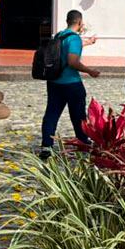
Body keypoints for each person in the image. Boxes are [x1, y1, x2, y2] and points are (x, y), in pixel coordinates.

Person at [40, 10, 100, 158]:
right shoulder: (74, 39)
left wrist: (88, 42)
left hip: (54, 82)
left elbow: (68, 48)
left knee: (51, 114)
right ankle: (83, 141)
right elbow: (72, 61)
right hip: (71, 83)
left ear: (68, 21)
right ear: (79, 22)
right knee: (78, 115)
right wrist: (90, 71)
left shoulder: (59, 36)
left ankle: (46, 146)